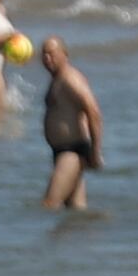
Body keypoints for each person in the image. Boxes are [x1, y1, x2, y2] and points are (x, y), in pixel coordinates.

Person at [36, 36, 103, 211]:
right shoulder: (57, 80)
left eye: (51, 54)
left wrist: (95, 153)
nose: (47, 59)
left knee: (49, 205)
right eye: (43, 55)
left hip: (72, 152)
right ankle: (83, 238)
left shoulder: (70, 79)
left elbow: (93, 111)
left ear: (64, 54)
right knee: (76, 212)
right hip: (61, 152)